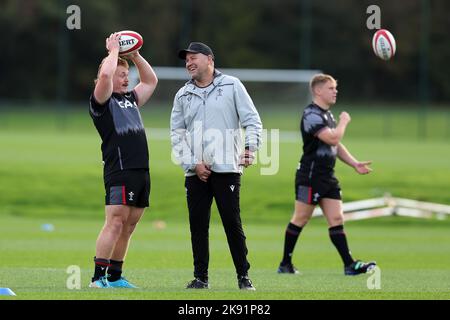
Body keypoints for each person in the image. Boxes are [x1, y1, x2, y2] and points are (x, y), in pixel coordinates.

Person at [170, 42, 262, 290]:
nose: (189, 62)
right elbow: (176, 134)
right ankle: (201, 278)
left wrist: (250, 148)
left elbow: (252, 120)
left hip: (227, 169)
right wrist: (193, 163)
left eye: (193, 58)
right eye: (186, 59)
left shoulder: (232, 85)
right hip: (195, 173)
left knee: (232, 223)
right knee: (198, 226)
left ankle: (244, 277)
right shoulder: (182, 94)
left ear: (209, 59)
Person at [277, 74, 376, 276]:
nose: (335, 91)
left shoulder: (327, 115)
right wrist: (344, 122)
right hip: (310, 176)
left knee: (337, 218)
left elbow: (336, 145)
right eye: (331, 88)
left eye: (335, 88)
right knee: (301, 218)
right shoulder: (311, 114)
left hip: (327, 176)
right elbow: (332, 138)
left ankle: (349, 265)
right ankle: (285, 263)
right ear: (318, 91)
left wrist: (354, 163)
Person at [88, 32, 158, 288]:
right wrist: (113, 51)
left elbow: (151, 81)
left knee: (129, 225)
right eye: (122, 75)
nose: (126, 78)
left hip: (141, 171)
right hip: (120, 169)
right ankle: (98, 278)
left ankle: (116, 278)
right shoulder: (101, 102)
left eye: (127, 75)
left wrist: (136, 55)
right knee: (115, 222)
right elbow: (106, 75)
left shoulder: (131, 99)